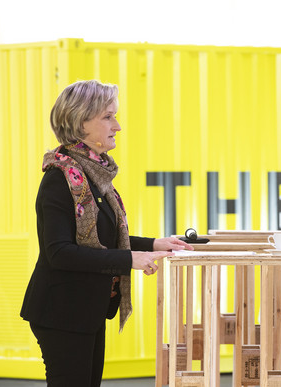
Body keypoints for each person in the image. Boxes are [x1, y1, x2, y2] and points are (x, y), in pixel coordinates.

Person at [20, 79, 193, 387]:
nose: (118, 126)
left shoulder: (92, 175)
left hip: (85, 308)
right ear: (80, 121)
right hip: (61, 311)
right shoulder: (61, 180)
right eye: (108, 116)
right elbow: (59, 252)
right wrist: (130, 259)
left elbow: (105, 239)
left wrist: (155, 243)